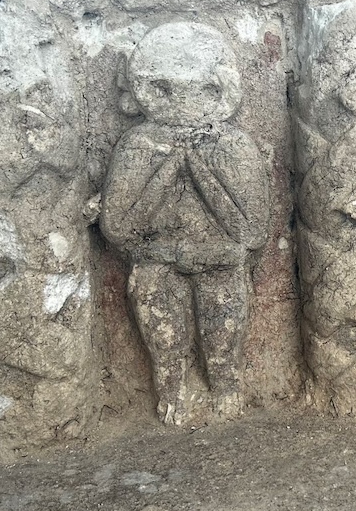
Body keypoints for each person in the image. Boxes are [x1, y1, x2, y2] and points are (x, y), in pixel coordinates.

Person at [101, 22, 270, 425]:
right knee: (165, 338)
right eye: (160, 89)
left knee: (222, 330)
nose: (173, 101)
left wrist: (196, 168)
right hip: (156, 259)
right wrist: (167, 169)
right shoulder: (139, 145)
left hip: (220, 260)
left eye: (186, 88)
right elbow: (118, 227)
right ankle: (172, 387)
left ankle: (225, 383)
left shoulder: (231, 145)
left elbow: (252, 229)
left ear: (218, 90)